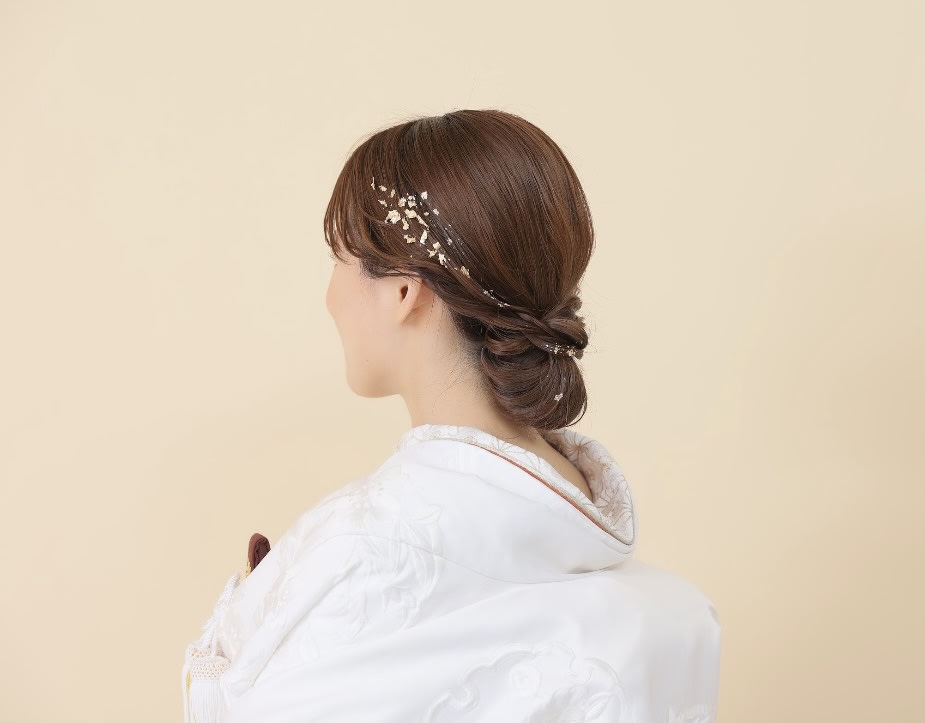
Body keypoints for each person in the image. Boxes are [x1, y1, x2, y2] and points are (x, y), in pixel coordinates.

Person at [182, 109, 721, 722]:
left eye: (339, 257)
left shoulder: (362, 548)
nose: (329, 296)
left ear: (403, 290)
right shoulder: (664, 607)